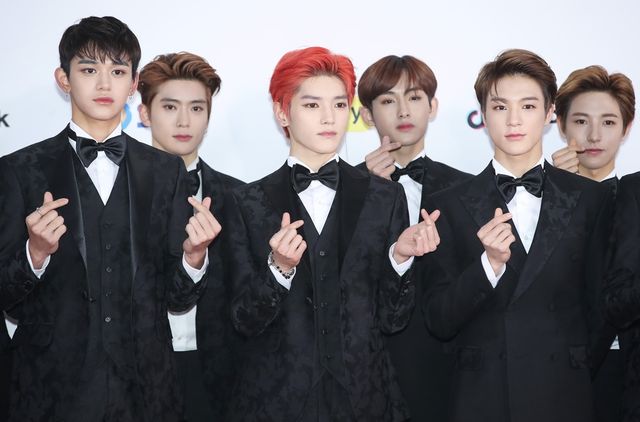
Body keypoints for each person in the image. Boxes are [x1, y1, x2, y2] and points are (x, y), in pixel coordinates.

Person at [0, 16, 218, 422]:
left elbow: (177, 298)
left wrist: (194, 257)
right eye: (89, 70)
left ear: (133, 84)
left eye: (117, 72)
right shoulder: (19, 170)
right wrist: (35, 253)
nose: (104, 84)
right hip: (50, 389)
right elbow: (5, 294)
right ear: (63, 79)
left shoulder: (166, 171)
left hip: (147, 390)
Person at [223, 46, 441, 421]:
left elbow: (393, 319)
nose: (329, 118)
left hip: (366, 399)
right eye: (312, 105)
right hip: (277, 402)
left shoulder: (385, 196)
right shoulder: (246, 202)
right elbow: (243, 320)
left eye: (339, 105)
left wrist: (400, 259)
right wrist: (279, 270)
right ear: (282, 112)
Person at [422, 49, 614, 422]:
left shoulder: (590, 199)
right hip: (482, 398)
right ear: (483, 114)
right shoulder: (448, 204)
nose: (513, 120)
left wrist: (572, 365)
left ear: (549, 113)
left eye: (527, 106)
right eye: (500, 107)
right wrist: (488, 266)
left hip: (564, 394)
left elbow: (600, 310)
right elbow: (438, 319)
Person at [357, 54, 471, 421]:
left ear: (432, 107)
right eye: (388, 100)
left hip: (442, 362)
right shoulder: (345, 189)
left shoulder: (465, 189)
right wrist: (367, 192)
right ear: (368, 114)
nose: (404, 111)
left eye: (415, 97)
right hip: (366, 362)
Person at [138, 51, 244, 421]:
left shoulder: (241, 197)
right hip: (137, 371)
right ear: (145, 113)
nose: (184, 121)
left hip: (218, 373)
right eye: (170, 107)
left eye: (197, 108)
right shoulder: (117, 195)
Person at [552, 65, 635, 422]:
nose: (595, 135)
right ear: (560, 125)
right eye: (581, 121)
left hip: (626, 369)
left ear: (626, 129)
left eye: (609, 122)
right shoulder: (538, 197)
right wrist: (559, 197)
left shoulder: (634, 199)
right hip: (554, 366)